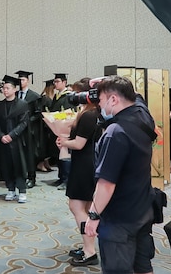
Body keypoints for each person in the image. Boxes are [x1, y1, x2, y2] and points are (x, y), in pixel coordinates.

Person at [86, 75, 156, 274]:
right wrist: (108, 80)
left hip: (119, 218)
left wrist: (93, 215)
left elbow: (106, 183)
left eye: (100, 101)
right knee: (143, 266)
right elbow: (135, 95)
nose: (99, 107)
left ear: (114, 100)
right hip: (143, 208)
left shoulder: (115, 132)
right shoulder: (143, 114)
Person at [57, 78, 103, 266]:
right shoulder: (93, 113)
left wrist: (63, 142)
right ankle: (87, 247)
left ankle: (90, 251)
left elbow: (79, 143)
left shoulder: (88, 115)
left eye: (77, 93)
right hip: (89, 163)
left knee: (76, 207)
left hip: (84, 165)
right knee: (86, 209)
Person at [0, 74, 31, 203]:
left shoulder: (22, 105)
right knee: (6, 164)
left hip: (18, 141)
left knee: (19, 165)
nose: (5, 90)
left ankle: (22, 191)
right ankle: (10, 189)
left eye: (8, 88)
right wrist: (1, 135)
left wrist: (11, 135)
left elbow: (23, 123)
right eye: (4, 88)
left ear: (15, 89)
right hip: (3, 141)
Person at [16, 70, 42, 188]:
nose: (21, 82)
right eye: (19, 80)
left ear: (28, 81)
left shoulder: (34, 96)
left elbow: (38, 114)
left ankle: (32, 177)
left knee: (30, 154)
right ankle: (20, 176)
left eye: (23, 80)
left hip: (29, 130)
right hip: (16, 130)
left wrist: (26, 121)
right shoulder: (15, 95)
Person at [49, 73, 74, 186]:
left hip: (65, 130)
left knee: (65, 156)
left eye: (58, 81)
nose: (55, 84)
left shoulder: (68, 96)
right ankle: (61, 177)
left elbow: (69, 113)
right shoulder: (56, 96)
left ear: (64, 82)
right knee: (58, 155)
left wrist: (57, 117)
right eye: (54, 82)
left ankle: (66, 179)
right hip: (57, 129)